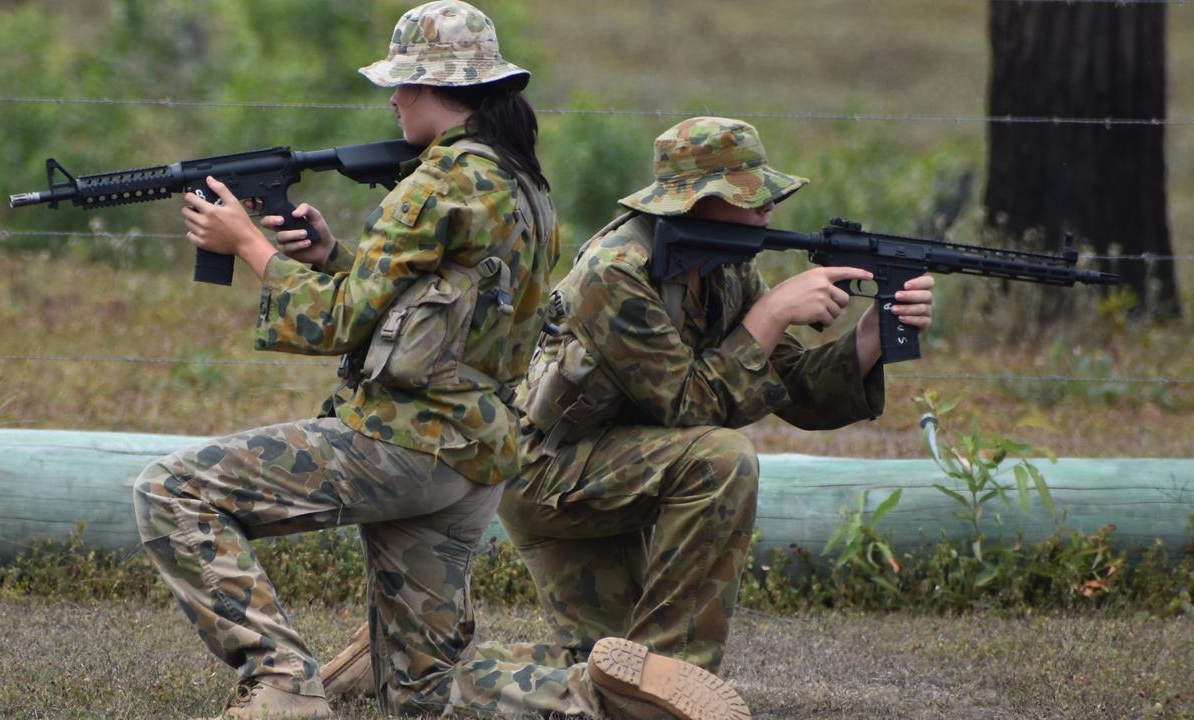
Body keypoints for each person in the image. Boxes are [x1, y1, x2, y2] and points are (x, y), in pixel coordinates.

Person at [133, 3, 751, 719]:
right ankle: (598, 694)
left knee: (170, 490)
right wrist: (331, 256)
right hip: (471, 462)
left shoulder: (437, 184)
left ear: (438, 88)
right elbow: (438, 310)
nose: (393, 100)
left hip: (397, 444)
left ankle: (281, 684)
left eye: (405, 85)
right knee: (420, 697)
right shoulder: (523, 186)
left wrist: (248, 244)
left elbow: (335, 319)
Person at [322, 115, 934, 700]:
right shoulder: (617, 272)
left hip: (617, 465)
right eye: (748, 197)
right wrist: (771, 316)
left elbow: (790, 385)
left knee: (594, 670)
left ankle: (401, 655)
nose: (767, 210)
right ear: (694, 204)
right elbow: (690, 403)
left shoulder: (724, 269)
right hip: (550, 473)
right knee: (721, 459)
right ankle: (670, 683)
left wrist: (869, 339)